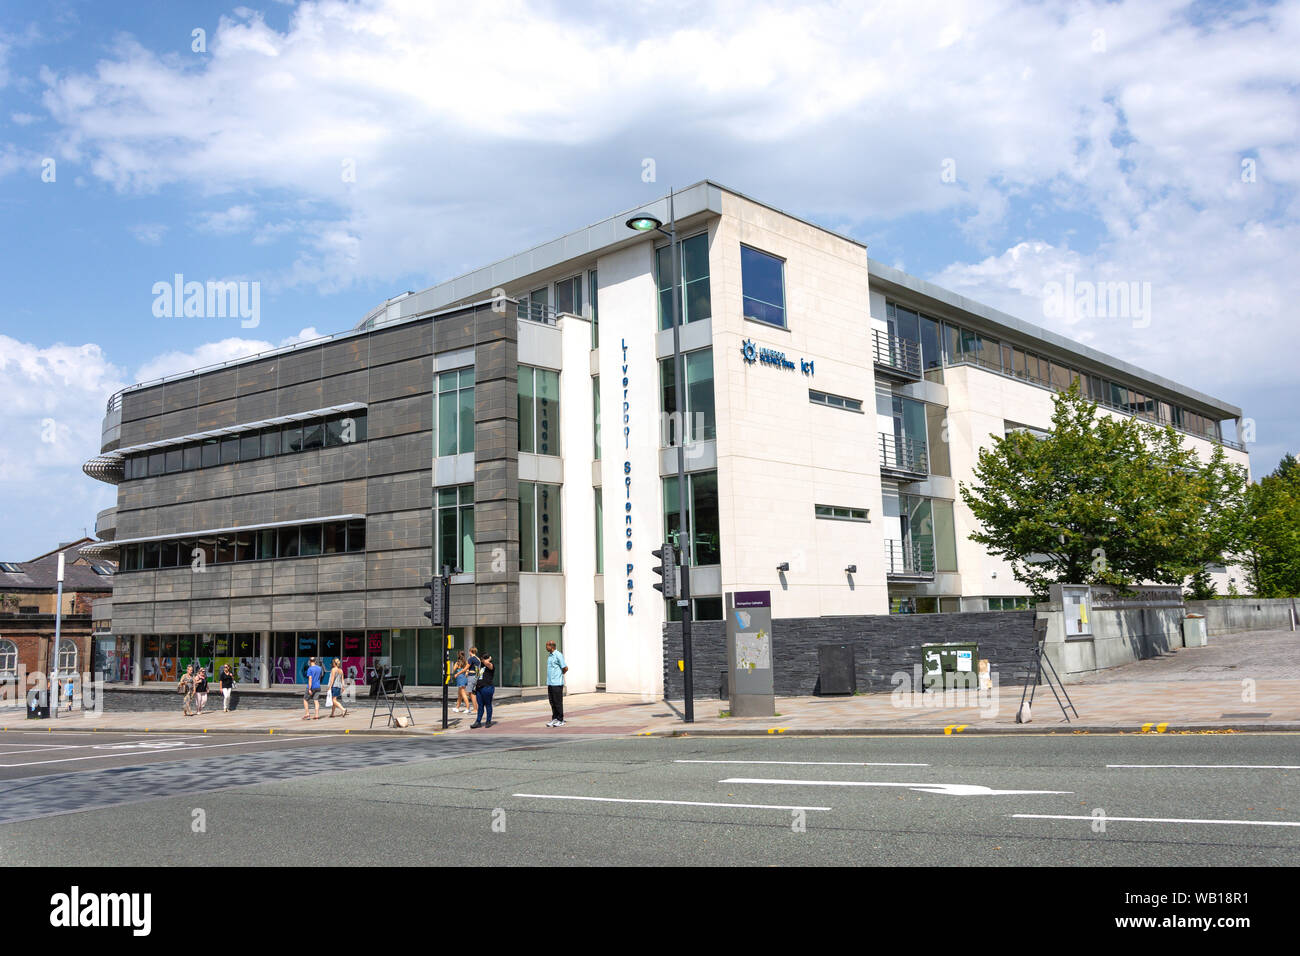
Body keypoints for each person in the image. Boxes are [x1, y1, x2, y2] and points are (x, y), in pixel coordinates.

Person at [544, 640, 568, 727]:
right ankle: (555, 719)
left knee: (558, 702)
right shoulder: (550, 656)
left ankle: (560, 720)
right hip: (550, 683)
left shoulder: (558, 655)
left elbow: (565, 668)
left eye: (547, 646)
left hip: (557, 683)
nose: (546, 647)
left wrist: (559, 676)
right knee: (552, 702)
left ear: (552, 646)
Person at [469, 653, 495, 728]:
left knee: (488, 704)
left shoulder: (491, 666)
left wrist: (488, 659)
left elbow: (487, 663)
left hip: (487, 688)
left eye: (482, 659)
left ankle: (488, 721)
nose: (481, 660)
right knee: (480, 705)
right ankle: (478, 721)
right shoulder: (482, 667)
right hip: (479, 688)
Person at [464, 646, 480, 716]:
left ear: (470, 651)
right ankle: (476, 708)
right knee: (473, 692)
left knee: (470, 693)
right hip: (476, 676)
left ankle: (475, 709)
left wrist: (458, 673)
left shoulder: (471, 659)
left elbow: (466, 668)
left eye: (469, 651)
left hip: (471, 676)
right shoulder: (478, 659)